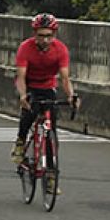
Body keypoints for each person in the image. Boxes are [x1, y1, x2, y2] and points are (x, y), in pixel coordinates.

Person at [11, 14, 80, 191]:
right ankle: (20, 142)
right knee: (29, 112)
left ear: (55, 34)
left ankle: (51, 174)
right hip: (29, 85)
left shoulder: (60, 50)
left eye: (49, 35)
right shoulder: (25, 48)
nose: (45, 40)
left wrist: (71, 96)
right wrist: (23, 95)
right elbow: (20, 77)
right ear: (35, 33)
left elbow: (65, 78)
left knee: (51, 132)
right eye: (41, 35)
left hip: (48, 86)